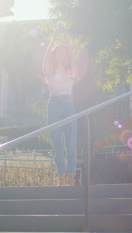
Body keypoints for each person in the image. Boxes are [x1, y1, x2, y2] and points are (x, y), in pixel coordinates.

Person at [42, 23, 79, 186]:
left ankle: (72, 178)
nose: (61, 54)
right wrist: (54, 38)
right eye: (58, 52)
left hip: (68, 102)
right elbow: (45, 56)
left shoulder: (71, 69)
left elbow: (71, 51)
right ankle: (62, 179)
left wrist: (66, 37)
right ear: (54, 55)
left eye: (63, 52)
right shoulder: (49, 69)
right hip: (55, 103)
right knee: (57, 143)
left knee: (71, 143)